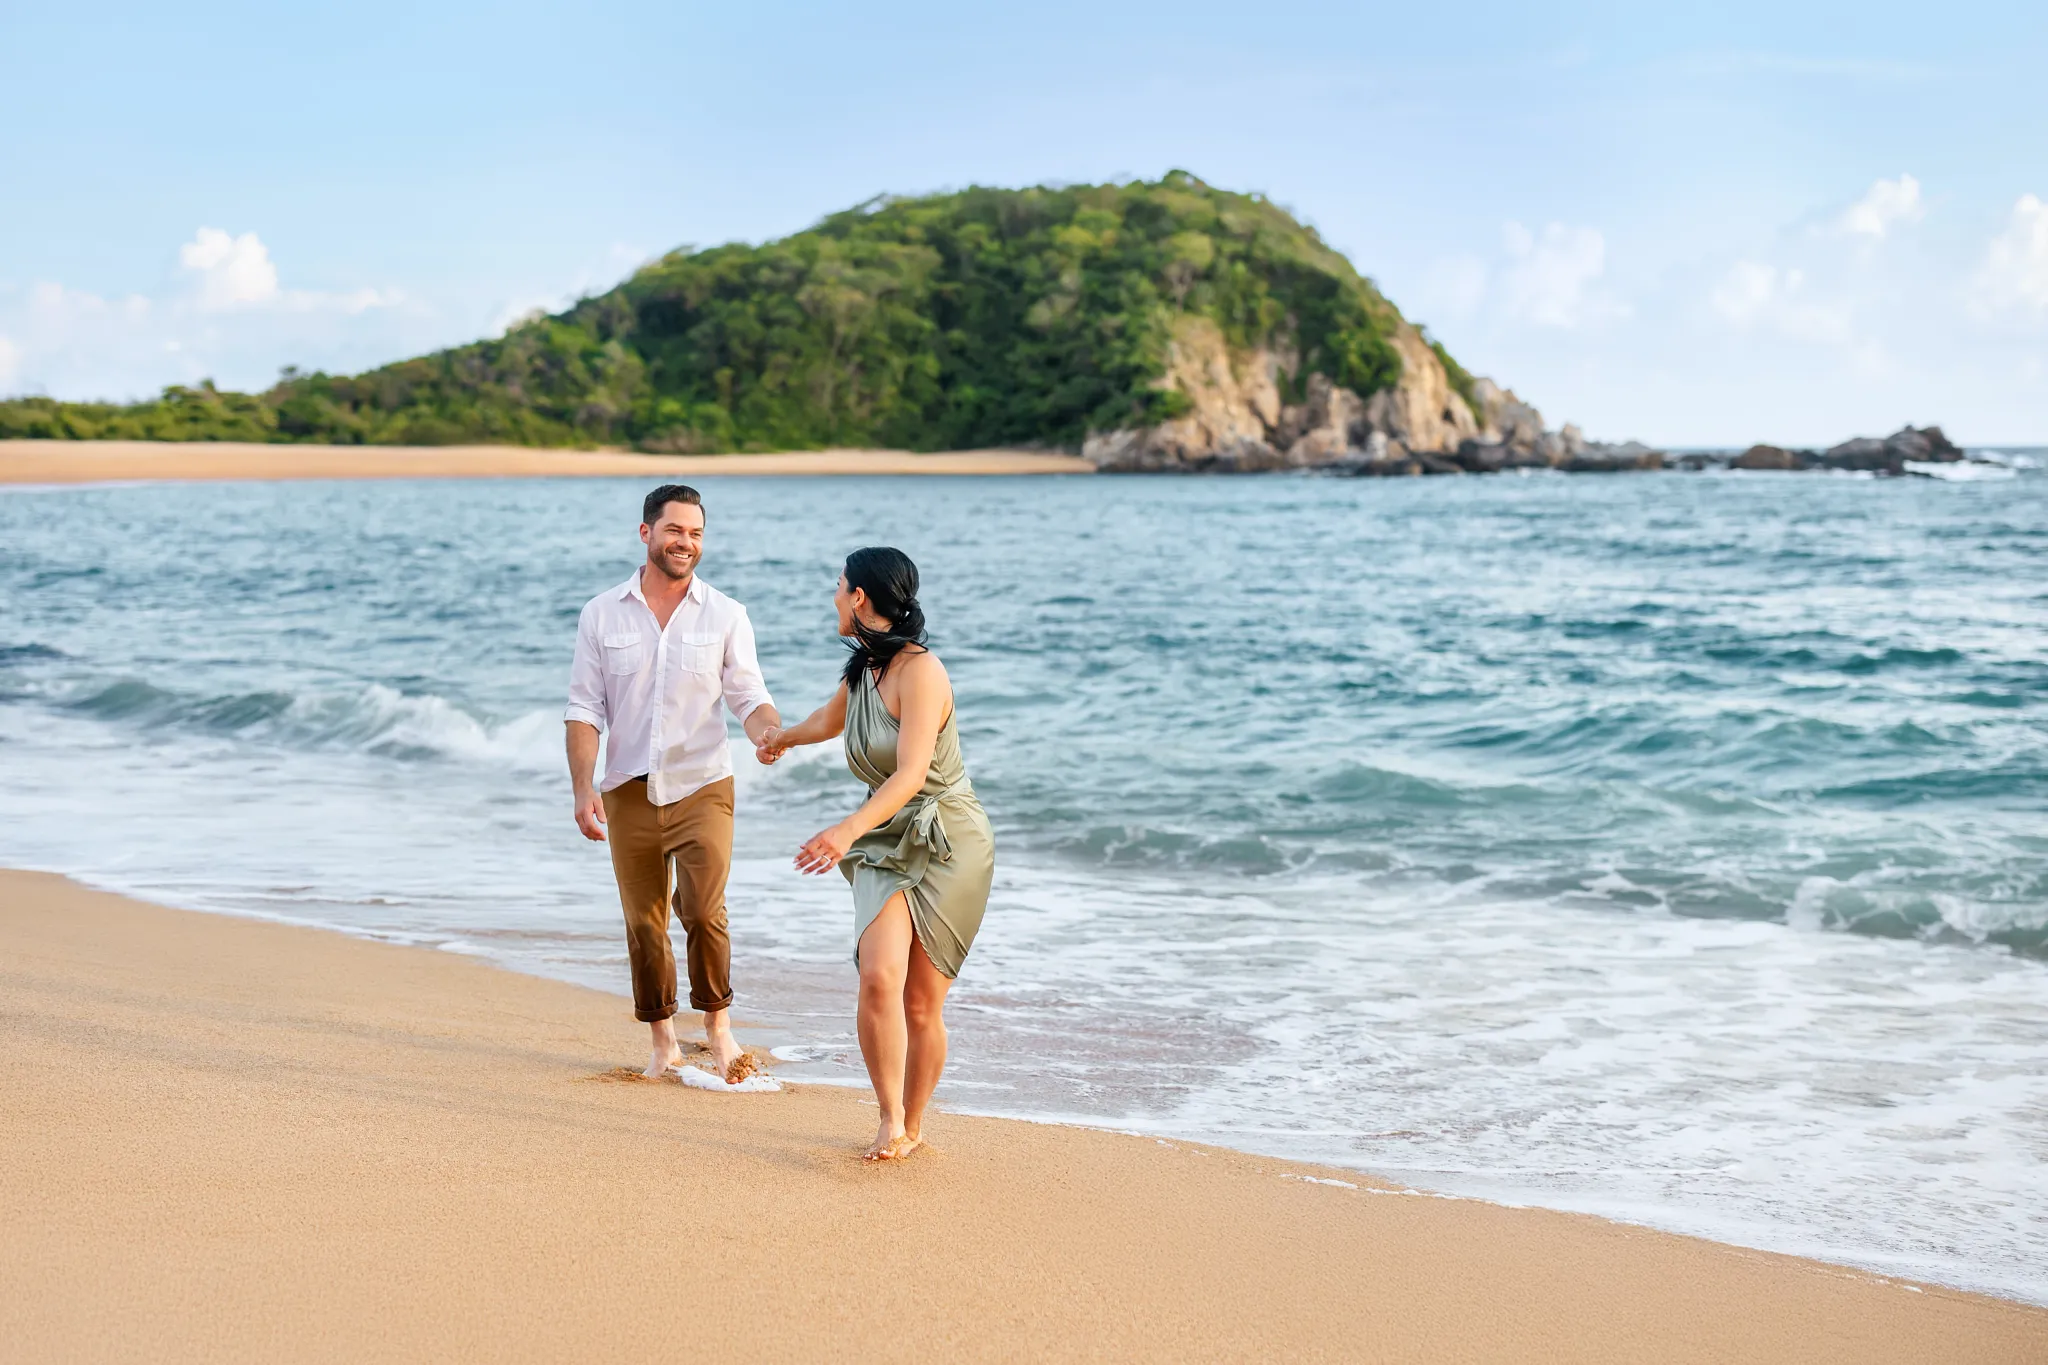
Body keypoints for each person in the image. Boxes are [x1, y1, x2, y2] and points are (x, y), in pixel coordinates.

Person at [757, 548, 994, 1160]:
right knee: (878, 977)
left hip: (948, 840)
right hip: (886, 839)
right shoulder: (863, 668)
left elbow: (913, 774)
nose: (834, 596)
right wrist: (779, 738)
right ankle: (889, 1118)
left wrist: (845, 829)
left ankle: (915, 1124)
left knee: (921, 1001)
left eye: (838, 587)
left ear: (859, 596)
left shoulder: (923, 671)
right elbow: (828, 722)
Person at [564, 484, 783, 1082]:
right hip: (627, 786)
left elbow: (748, 693)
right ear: (647, 533)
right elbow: (584, 710)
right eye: (675, 531)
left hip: (703, 783)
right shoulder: (601, 613)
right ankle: (662, 1039)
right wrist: (584, 790)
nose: (686, 543)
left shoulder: (727, 614)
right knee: (644, 919)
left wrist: (768, 731)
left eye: (696, 534)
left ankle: (718, 1027)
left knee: (705, 911)